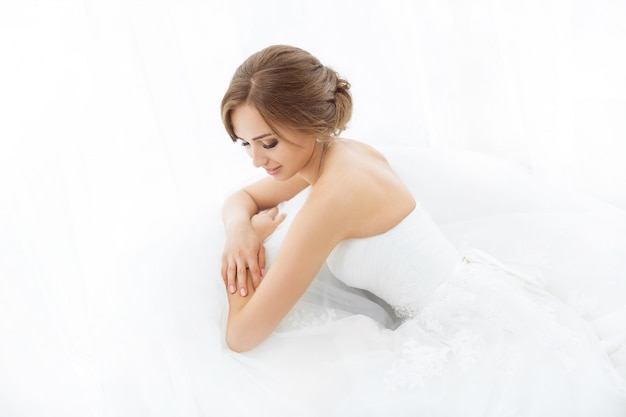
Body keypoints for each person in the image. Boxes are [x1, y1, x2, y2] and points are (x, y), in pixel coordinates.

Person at [219, 45, 626, 415]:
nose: (256, 159)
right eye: (245, 144)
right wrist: (240, 229)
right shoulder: (338, 153)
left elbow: (241, 336)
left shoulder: (333, 196)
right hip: (478, 294)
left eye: (268, 143)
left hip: (468, 328)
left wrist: (246, 253)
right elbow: (243, 198)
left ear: (306, 121)